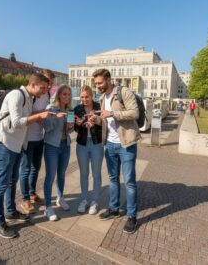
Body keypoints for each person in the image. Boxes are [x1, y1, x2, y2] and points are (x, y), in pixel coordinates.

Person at [0, 73, 51, 239]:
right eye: (43, 88)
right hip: (3, 143)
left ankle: (10, 212)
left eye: (47, 89)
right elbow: (17, 122)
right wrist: (38, 116)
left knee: (11, 181)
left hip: (15, 146)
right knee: (1, 184)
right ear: (33, 84)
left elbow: (24, 123)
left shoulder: (29, 98)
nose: (44, 91)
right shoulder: (17, 95)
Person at [89, 69, 141, 234]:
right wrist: (96, 120)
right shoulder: (103, 97)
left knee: (130, 182)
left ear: (109, 80)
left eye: (100, 83)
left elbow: (134, 112)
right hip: (110, 144)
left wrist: (112, 113)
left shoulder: (123, 92)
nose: (97, 86)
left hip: (126, 144)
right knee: (113, 179)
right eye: (95, 84)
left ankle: (132, 216)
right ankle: (114, 208)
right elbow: (105, 120)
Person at [20, 69, 55, 214]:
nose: (48, 86)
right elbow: (24, 115)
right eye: (46, 82)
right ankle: (25, 199)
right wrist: (40, 115)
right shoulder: (30, 95)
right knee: (26, 169)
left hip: (39, 136)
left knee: (35, 168)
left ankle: (32, 193)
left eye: (50, 83)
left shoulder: (46, 94)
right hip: (27, 137)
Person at [43, 85, 74, 221]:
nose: (67, 97)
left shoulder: (70, 110)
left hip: (65, 145)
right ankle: (48, 207)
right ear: (59, 95)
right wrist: (56, 117)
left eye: (69, 94)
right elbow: (47, 127)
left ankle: (60, 198)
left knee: (61, 174)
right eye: (64, 94)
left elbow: (70, 130)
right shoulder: (51, 109)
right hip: (51, 146)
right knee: (50, 176)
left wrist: (71, 126)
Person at [74, 85, 103, 215]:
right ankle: (84, 200)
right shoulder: (77, 109)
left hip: (97, 143)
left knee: (96, 174)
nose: (84, 99)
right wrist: (78, 124)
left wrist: (95, 121)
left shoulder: (99, 107)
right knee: (83, 173)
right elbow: (74, 128)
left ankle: (94, 201)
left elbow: (105, 124)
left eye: (87, 97)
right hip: (82, 145)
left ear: (92, 96)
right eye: (82, 97)